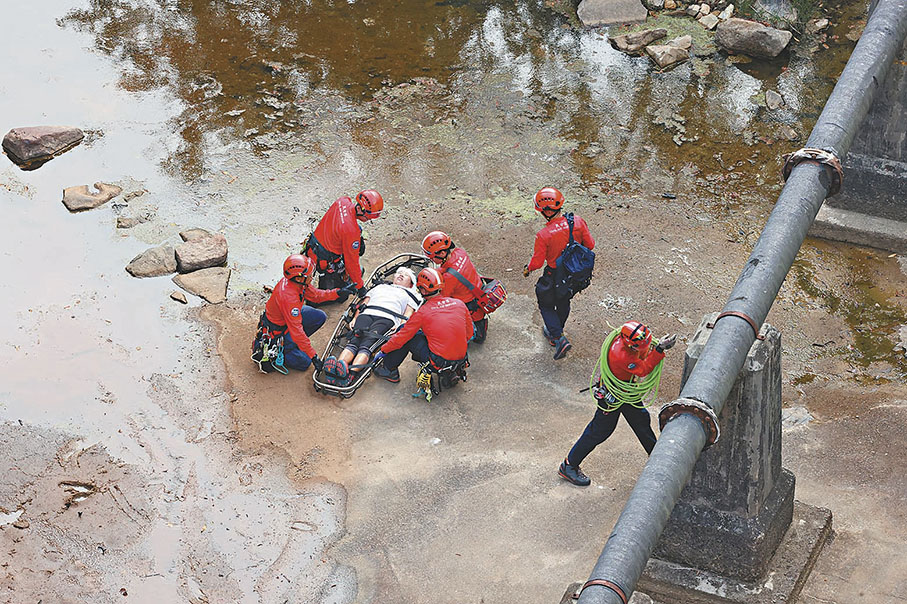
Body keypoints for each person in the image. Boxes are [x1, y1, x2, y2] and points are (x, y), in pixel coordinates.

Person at [558, 321, 677, 486]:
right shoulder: (623, 356)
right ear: (630, 345)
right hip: (614, 393)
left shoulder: (623, 339)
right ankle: (569, 465)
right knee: (600, 430)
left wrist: (656, 346)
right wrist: (658, 349)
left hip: (626, 389)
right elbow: (643, 369)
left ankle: (656, 456)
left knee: (641, 420)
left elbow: (641, 354)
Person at [523, 187, 595, 360]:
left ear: (544, 211)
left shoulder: (543, 235)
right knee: (563, 301)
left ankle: (558, 338)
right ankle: (556, 329)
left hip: (555, 274)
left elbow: (537, 262)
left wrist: (527, 269)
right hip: (573, 273)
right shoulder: (577, 221)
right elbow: (590, 245)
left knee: (546, 303)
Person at [372, 267, 472, 383]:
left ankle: (389, 370)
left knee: (405, 331)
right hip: (461, 359)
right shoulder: (459, 304)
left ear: (423, 291)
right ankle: (451, 371)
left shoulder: (423, 313)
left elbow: (401, 337)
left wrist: (383, 350)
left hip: (438, 362)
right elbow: (469, 334)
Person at [326, 267, 421, 384]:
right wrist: (355, 318)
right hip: (367, 314)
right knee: (354, 342)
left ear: (411, 284)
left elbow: (408, 314)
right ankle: (338, 369)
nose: (401, 275)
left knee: (367, 345)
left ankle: (350, 374)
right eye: (399, 273)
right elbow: (363, 303)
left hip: (387, 318)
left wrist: (401, 327)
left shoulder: (411, 295)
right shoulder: (380, 287)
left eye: (406, 275)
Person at [255, 254, 347, 373]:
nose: (311, 277)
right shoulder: (289, 298)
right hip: (278, 331)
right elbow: (297, 331)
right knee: (305, 362)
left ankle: (294, 345)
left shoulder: (297, 283)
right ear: (298, 278)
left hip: (286, 319)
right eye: (309, 275)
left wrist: (337, 292)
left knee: (320, 316)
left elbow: (316, 296)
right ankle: (281, 350)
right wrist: (313, 356)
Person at [304, 190, 384, 296]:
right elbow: (351, 262)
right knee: (343, 294)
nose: (368, 220)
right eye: (368, 218)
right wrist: (360, 287)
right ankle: (320, 292)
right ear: (360, 209)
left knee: (355, 271)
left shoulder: (343, 201)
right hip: (322, 259)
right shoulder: (351, 231)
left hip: (314, 245)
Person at [421, 231, 488, 343]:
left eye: (432, 257)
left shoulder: (449, 277)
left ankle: (475, 333)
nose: (431, 259)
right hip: (478, 290)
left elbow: (442, 297)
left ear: (442, 253)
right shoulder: (459, 252)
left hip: (469, 305)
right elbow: (449, 267)